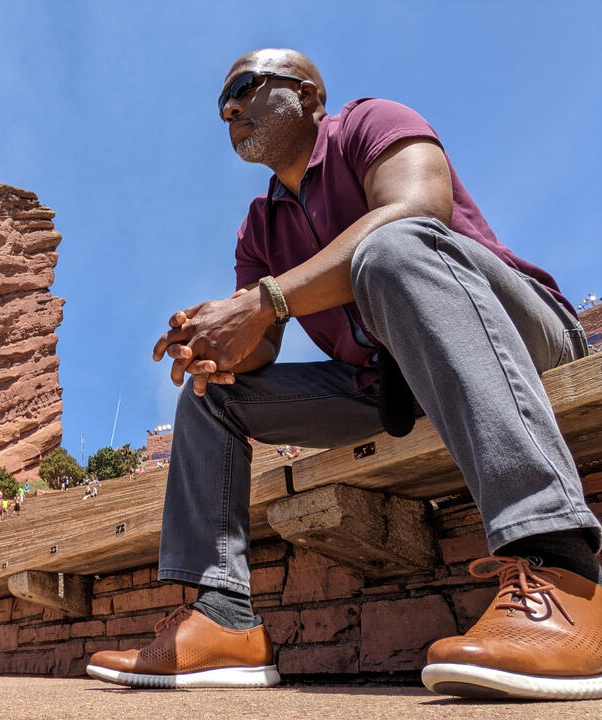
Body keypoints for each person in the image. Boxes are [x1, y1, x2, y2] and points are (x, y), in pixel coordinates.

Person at [86, 48, 601, 700]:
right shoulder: (258, 225)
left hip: (522, 336)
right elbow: (262, 348)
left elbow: (421, 208)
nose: (230, 109)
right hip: (388, 385)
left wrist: (265, 299)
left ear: (308, 93)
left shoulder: (370, 122)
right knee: (211, 395)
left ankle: (562, 568)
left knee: (392, 245)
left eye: (244, 87)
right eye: (222, 105)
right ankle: (223, 619)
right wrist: (213, 342)